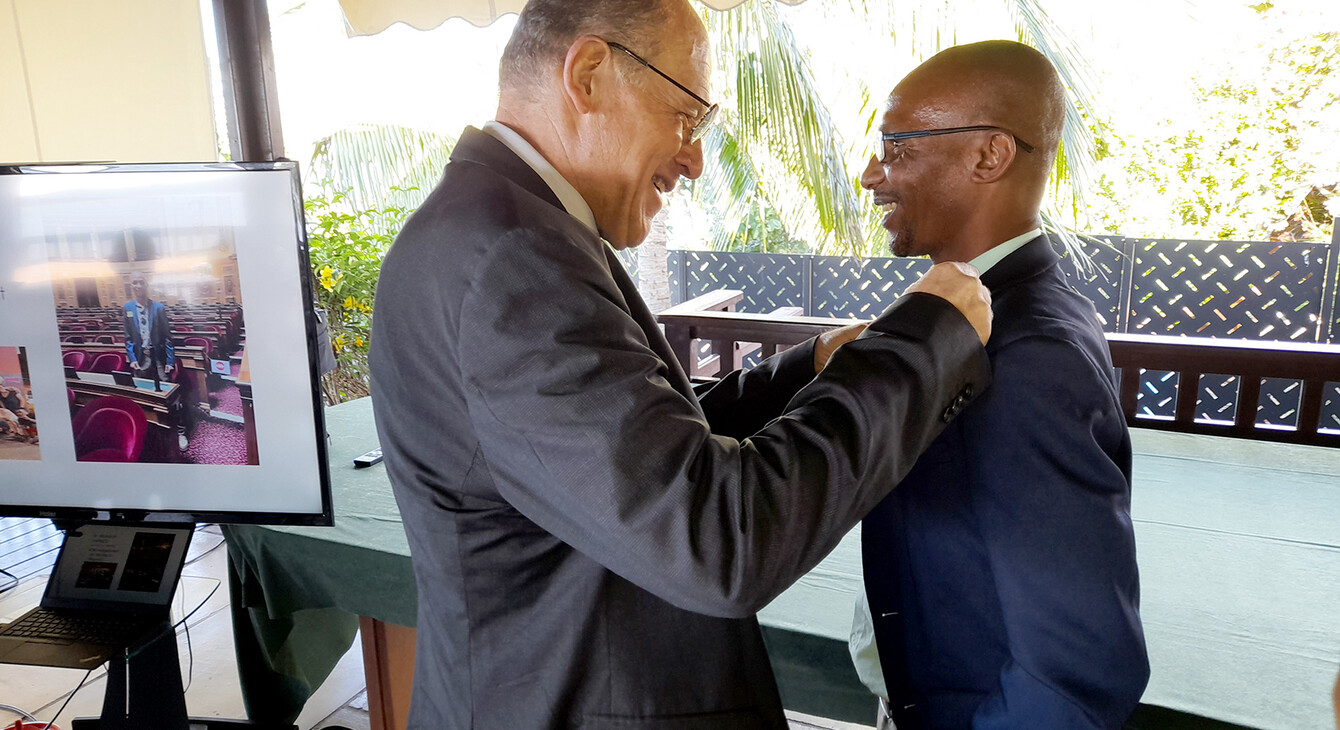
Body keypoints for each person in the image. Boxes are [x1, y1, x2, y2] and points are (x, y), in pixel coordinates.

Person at [369, 0, 995, 726]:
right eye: (688, 116)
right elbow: (715, 538)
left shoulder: (505, 227)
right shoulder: (513, 259)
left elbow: (641, 451)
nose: (696, 159)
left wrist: (807, 368)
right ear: (591, 74)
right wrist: (922, 344)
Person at [849, 40, 1150, 729]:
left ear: (989, 155)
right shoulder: (980, 309)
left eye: (897, 148)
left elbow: (1077, 671)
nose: (873, 174)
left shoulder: (1028, 351)